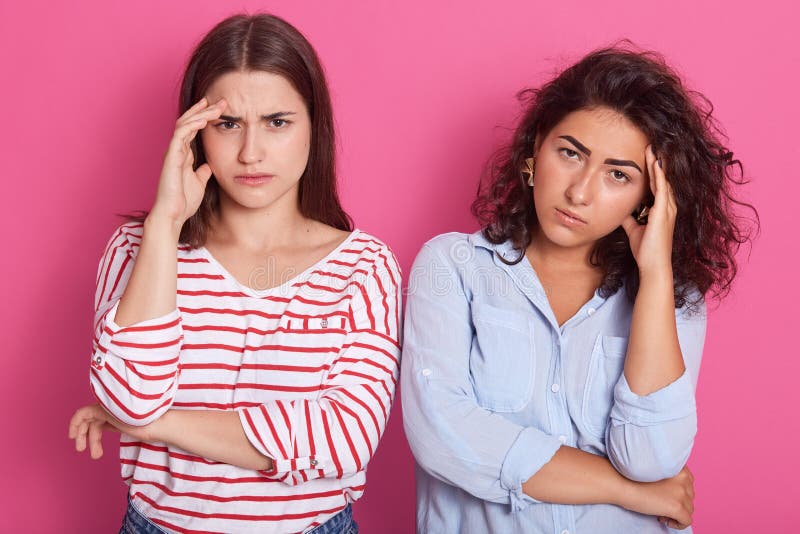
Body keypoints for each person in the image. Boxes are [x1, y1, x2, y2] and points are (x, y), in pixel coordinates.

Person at [401, 44, 756, 533]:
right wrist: (626, 490)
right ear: (535, 148)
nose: (580, 192)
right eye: (570, 153)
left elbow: (653, 460)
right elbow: (444, 436)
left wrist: (654, 276)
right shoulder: (452, 266)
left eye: (618, 174)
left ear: (650, 198)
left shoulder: (674, 300)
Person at [68, 13, 401, 534]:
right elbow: (132, 395)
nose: (251, 152)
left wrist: (152, 426)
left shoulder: (364, 266)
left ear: (316, 126)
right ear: (195, 132)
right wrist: (164, 225)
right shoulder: (137, 247)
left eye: (277, 121)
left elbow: (344, 439)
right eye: (228, 124)